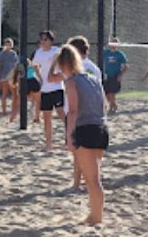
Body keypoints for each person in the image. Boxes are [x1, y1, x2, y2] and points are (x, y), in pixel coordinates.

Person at [58, 44, 109, 225]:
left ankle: (96, 217)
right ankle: (94, 215)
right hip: (101, 128)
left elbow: (72, 110)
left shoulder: (71, 82)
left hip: (85, 129)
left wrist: (69, 136)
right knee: (94, 178)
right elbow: (104, 105)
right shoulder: (94, 79)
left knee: (92, 180)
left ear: (64, 64)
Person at [48, 36, 102, 190]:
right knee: (93, 154)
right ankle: (89, 181)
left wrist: (54, 61)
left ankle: (77, 183)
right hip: (95, 115)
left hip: (77, 114)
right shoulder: (94, 68)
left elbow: (50, 78)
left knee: (78, 152)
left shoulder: (72, 68)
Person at [32, 30, 63, 150]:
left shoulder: (57, 51)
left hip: (57, 87)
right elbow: (35, 65)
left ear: (51, 41)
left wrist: (59, 76)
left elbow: (65, 65)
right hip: (45, 89)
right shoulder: (39, 53)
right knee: (46, 117)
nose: (43, 42)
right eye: (41, 39)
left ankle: (70, 139)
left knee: (61, 113)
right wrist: (40, 78)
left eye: (45, 39)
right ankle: (49, 143)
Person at [102, 37, 129, 114]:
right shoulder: (106, 52)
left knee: (112, 92)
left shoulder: (120, 54)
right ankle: (114, 104)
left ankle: (111, 107)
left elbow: (126, 66)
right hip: (107, 75)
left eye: (115, 43)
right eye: (112, 43)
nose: (113, 45)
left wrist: (121, 75)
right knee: (106, 93)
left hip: (115, 75)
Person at [0, 38, 19, 116]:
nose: (9, 45)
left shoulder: (14, 54)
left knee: (15, 94)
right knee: (4, 94)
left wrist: (17, 77)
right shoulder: (2, 54)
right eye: (7, 44)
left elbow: (16, 66)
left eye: (10, 44)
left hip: (12, 76)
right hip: (4, 76)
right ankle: (4, 111)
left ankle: (13, 110)